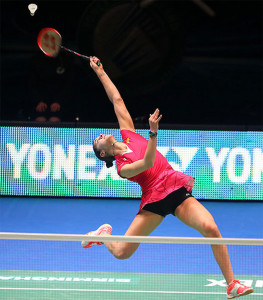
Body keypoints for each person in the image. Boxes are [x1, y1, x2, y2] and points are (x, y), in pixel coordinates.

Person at [82, 56, 254, 299]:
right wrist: (152, 134)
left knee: (211, 228)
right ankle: (105, 235)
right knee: (121, 252)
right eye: (97, 141)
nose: (100, 136)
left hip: (174, 187)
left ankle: (232, 285)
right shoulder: (122, 167)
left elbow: (117, 99)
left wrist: (99, 71)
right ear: (103, 153)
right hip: (154, 200)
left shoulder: (129, 135)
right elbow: (148, 163)